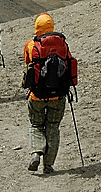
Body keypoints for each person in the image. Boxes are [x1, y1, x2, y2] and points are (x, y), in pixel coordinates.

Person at [22, 12, 74, 175]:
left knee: (36, 125)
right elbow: (69, 65)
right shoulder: (62, 44)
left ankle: (36, 153)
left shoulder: (31, 44)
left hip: (36, 95)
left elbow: (27, 63)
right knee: (53, 127)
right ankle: (48, 165)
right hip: (58, 95)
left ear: (37, 27)